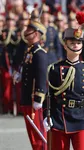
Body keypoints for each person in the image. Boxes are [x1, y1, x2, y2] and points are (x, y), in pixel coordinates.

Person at [43, 12, 84, 150]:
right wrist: (46, 114)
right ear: (65, 45)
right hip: (59, 119)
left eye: (78, 42)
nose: (76, 45)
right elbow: (49, 95)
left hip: (82, 119)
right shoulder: (54, 68)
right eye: (72, 43)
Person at [14, 20, 48, 150]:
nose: (25, 32)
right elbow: (28, 71)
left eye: (29, 30)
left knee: (39, 133)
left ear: (36, 34)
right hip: (27, 97)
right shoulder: (29, 51)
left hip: (34, 99)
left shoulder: (39, 53)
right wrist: (20, 74)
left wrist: (39, 98)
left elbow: (41, 76)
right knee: (32, 134)